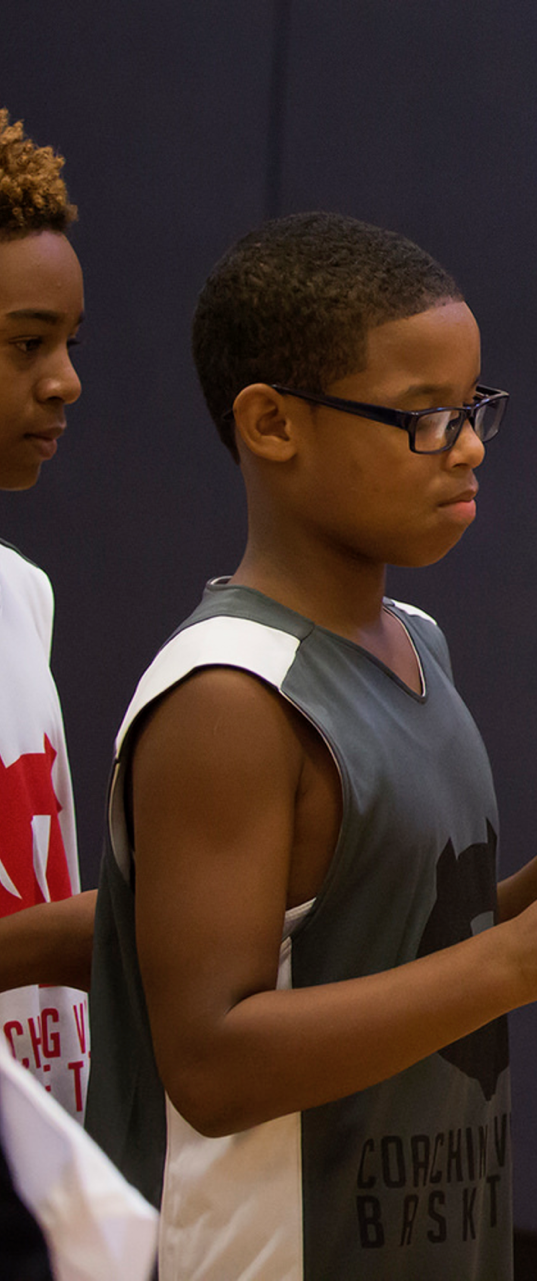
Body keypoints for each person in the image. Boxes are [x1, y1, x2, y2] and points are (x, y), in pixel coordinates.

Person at [85, 211, 537, 1280]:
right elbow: (211, 1062)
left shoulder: (416, 642)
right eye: (422, 416)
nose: (466, 445)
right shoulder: (230, 696)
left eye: (472, 409)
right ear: (273, 424)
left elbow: (397, 960)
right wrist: (516, 963)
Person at [0, 108, 96, 1123]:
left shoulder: (23, 596)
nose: (65, 380)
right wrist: (72, 936)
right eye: (27, 344)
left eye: (68, 342)